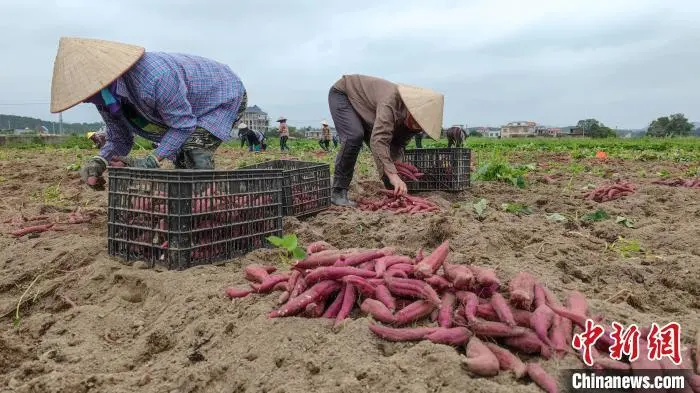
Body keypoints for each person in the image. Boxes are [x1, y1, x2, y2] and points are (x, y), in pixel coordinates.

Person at [49, 37, 247, 190]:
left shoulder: (155, 79)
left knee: (192, 151)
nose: (85, 99)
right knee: (182, 161)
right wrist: (100, 160)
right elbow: (120, 139)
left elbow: (183, 126)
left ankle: (206, 204)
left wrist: (152, 160)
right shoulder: (104, 97)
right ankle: (193, 202)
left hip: (222, 96)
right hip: (189, 107)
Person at [328, 74, 444, 206]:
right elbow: (379, 140)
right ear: (412, 110)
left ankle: (393, 190)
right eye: (416, 121)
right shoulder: (391, 101)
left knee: (391, 152)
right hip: (344, 95)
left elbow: (397, 145)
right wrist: (393, 175)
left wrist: (397, 172)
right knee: (354, 136)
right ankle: (338, 192)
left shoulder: (415, 126)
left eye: (420, 126)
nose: (416, 127)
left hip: (368, 110)